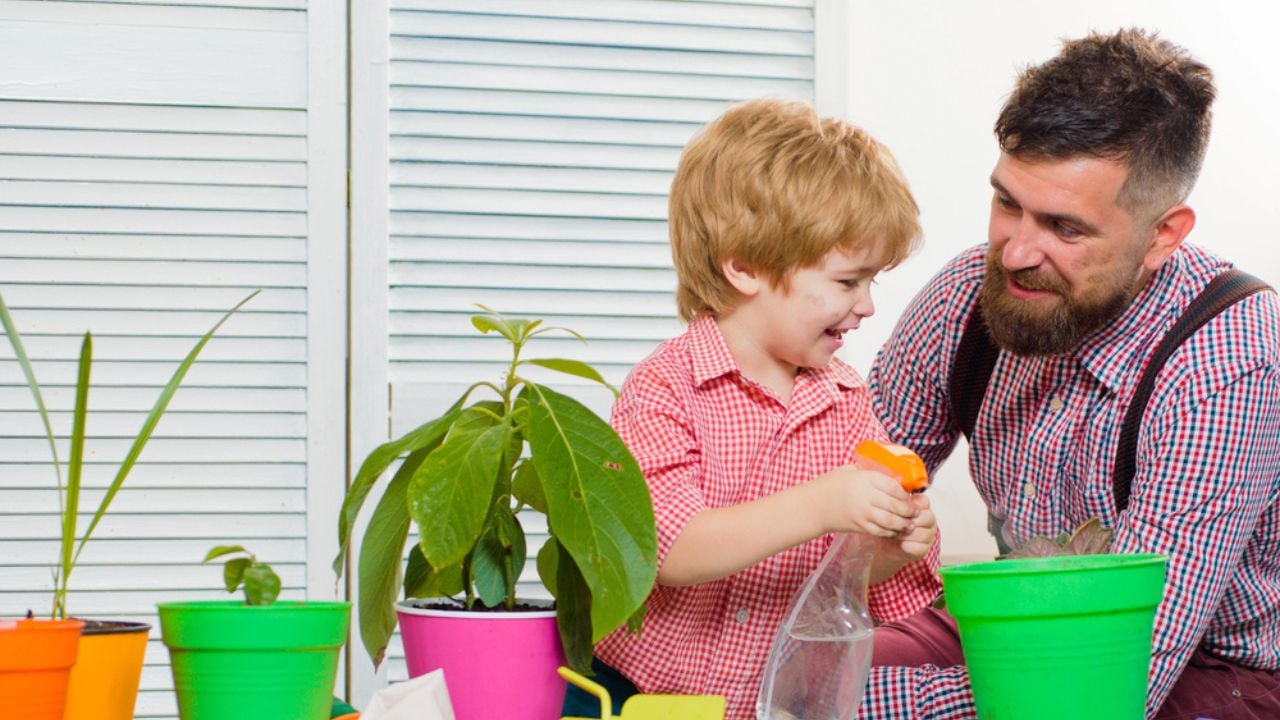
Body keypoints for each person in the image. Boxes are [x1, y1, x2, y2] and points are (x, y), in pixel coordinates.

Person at [865, 28, 1280, 719]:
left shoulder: (1228, 359)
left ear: (1163, 236)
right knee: (788, 673)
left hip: (1197, 669)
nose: (1017, 252)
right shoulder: (969, 291)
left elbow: (1113, 686)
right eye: (1007, 204)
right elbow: (852, 477)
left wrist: (854, 700)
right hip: (1012, 617)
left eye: (1065, 228)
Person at [563, 98, 943, 720]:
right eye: (848, 281)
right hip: (630, 696)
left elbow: (843, 581)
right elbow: (668, 548)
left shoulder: (846, 401)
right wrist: (824, 503)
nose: (869, 305)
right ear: (744, 268)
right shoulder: (666, 386)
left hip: (763, 704)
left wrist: (890, 547)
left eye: (874, 281)